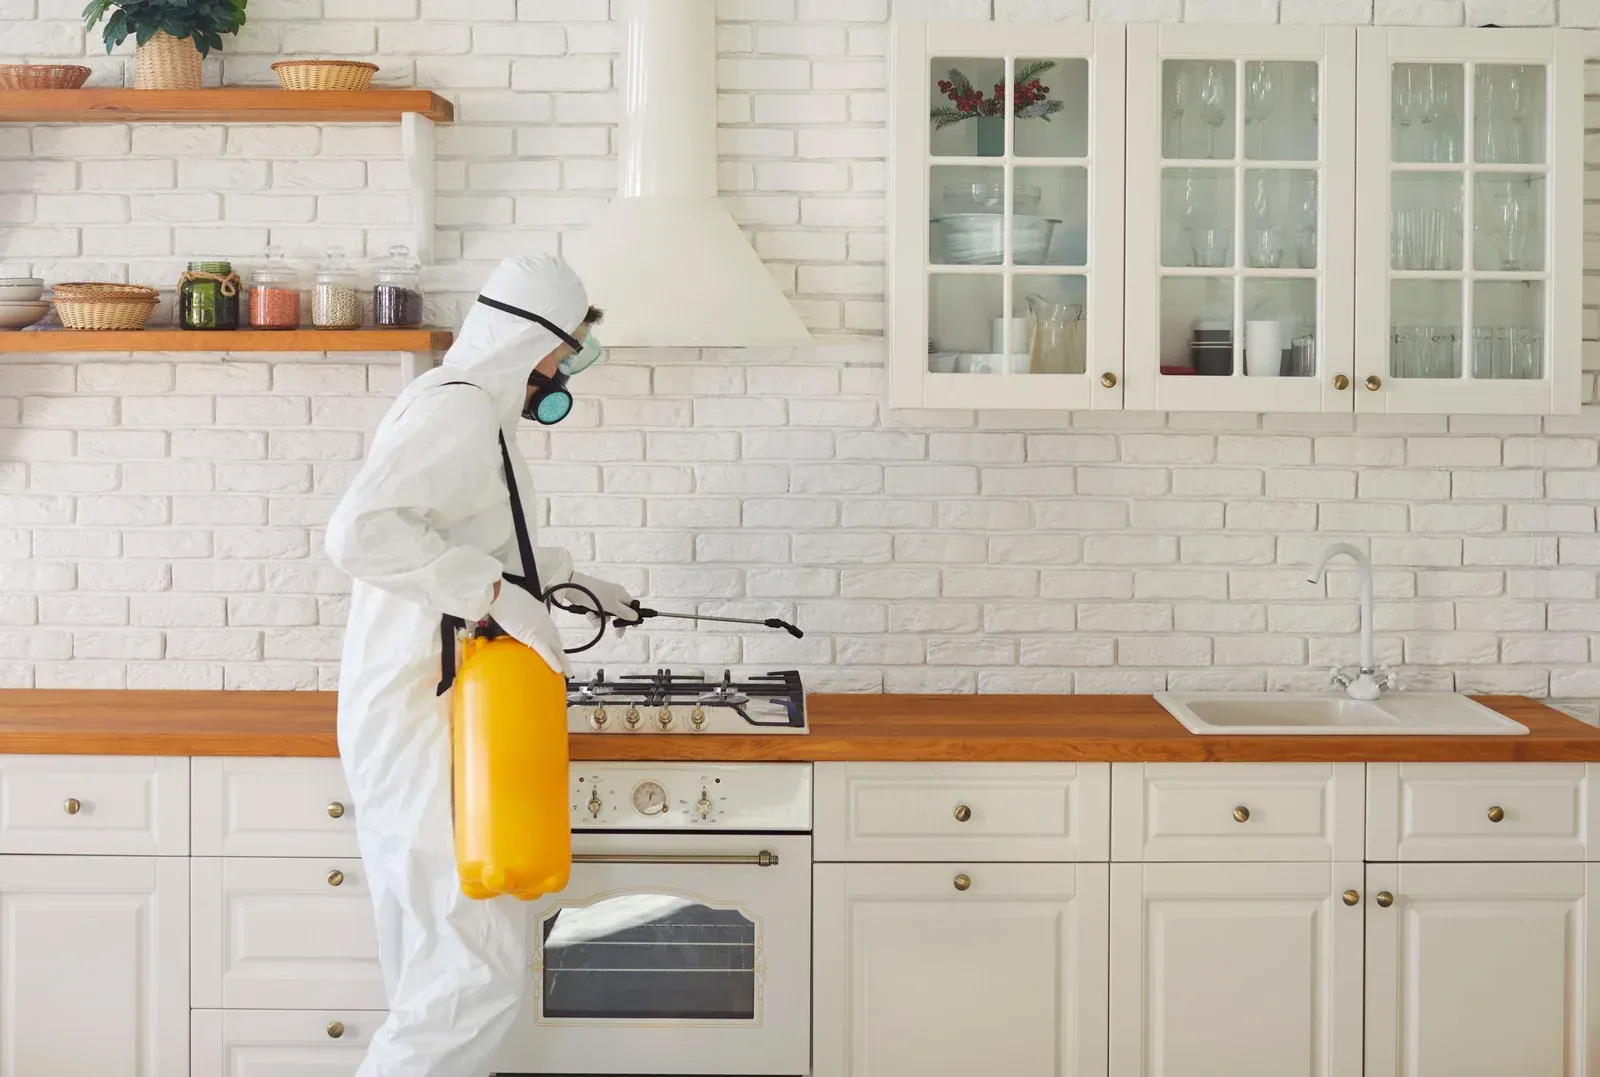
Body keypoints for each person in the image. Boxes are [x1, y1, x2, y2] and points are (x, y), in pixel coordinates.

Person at [324, 254, 641, 1077]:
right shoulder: (457, 415)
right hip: (424, 721)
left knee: (439, 969)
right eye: (567, 350)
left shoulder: (476, 415)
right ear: (530, 341)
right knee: (473, 971)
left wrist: (570, 580)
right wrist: (494, 592)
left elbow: (476, 541)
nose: (565, 370)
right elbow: (359, 534)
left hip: (439, 717)